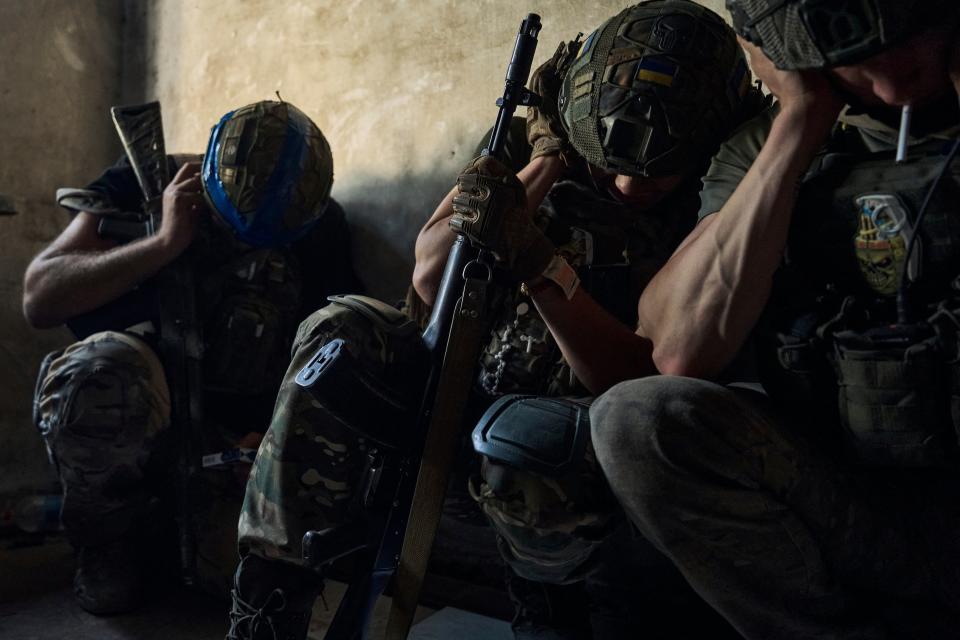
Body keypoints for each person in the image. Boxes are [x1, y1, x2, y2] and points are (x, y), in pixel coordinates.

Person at [225, 3, 766, 639]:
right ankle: (268, 599)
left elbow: (636, 373)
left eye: (658, 167)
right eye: (609, 155)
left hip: (560, 438)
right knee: (338, 329)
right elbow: (430, 273)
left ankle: (547, 613)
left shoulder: (715, 194)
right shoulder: (537, 139)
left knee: (533, 441)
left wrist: (538, 263)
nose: (628, 180)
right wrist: (550, 158)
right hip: (452, 383)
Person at [590, 0, 960, 637]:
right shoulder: (769, 141)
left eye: (910, 43)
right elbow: (679, 351)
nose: (894, 86)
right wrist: (801, 121)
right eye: (857, 65)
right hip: (851, 498)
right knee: (637, 420)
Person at [24, 100, 360, 615]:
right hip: (138, 422)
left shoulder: (319, 223)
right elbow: (41, 297)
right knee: (100, 374)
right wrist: (163, 243)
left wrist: (273, 437)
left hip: (232, 451)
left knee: (238, 586)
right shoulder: (146, 180)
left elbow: (327, 354)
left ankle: (162, 529)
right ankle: (106, 540)